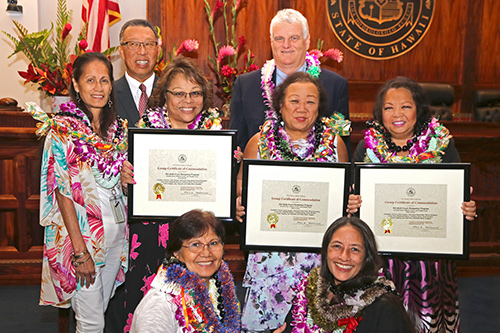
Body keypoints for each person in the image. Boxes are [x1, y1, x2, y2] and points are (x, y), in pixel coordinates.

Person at [347, 77, 477, 333]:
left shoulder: (442, 144)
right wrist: (351, 203)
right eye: (388, 107)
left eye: (405, 106)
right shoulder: (365, 146)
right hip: (380, 259)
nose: (397, 114)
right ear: (379, 113)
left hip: (430, 261)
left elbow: (456, 197)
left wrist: (465, 209)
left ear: (418, 109)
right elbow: (353, 195)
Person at [237, 72, 350, 332]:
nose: (302, 108)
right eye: (294, 101)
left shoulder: (335, 144)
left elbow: (343, 195)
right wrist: (240, 202)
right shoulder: (259, 142)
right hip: (270, 257)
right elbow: (242, 185)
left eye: (310, 102)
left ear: (319, 107)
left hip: (319, 260)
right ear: (280, 105)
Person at [26, 52, 128, 332]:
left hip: (116, 235)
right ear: (77, 85)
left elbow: (113, 180)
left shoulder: (118, 130)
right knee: (91, 322)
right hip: (83, 240)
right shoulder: (61, 131)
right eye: (90, 80)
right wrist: (79, 251)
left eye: (104, 80)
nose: (98, 87)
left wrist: (126, 176)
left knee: (100, 309)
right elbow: (62, 193)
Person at [121, 56, 223, 330]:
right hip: (152, 234)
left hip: (196, 236)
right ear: (164, 96)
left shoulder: (215, 133)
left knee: (197, 301)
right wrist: (124, 176)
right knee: (151, 307)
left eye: (195, 93)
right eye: (178, 93)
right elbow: (129, 184)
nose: (187, 100)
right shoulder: (145, 131)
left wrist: (230, 165)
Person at [229, 8, 349, 152]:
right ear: (272, 42)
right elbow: (237, 146)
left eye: (294, 38)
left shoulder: (335, 85)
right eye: (280, 38)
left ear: (307, 41)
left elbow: (341, 147)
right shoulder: (246, 85)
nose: (286, 45)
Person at [282, 216, 415, 333]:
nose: (344, 257)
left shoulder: (384, 307)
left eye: (355, 249)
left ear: (366, 257)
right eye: (337, 246)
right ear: (326, 251)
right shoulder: (310, 292)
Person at [129, 209, 240, 332]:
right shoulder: (161, 303)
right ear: (176, 252)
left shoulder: (221, 287)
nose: (206, 253)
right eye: (195, 244)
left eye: (213, 243)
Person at [114, 19, 161, 127]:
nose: (142, 52)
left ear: (158, 51)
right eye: (133, 44)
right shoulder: (108, 94)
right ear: (121, 52)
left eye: (148, 44)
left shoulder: (171, 93)